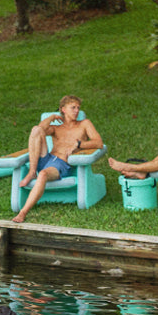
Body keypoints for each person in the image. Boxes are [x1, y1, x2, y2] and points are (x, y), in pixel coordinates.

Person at [12, 95, 105, 224]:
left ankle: (23, 212)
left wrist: (79, 144)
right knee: (36, 129)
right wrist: (51, 118)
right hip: (47, 158)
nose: (77, 110)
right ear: (63, 109)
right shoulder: (57, 128)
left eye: (78, 108)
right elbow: (39, 129)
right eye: (73, 107)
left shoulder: (84, 124)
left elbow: (99, 143)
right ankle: (32, 171)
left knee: (43, 174)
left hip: (62, 164)